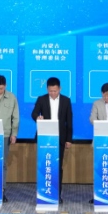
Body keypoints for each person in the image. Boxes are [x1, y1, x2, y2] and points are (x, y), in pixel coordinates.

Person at [31, 76, 73, 204]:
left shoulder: (66, 100)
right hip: (45, 138)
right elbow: (34, 113)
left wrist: (69, 139)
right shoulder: (41, 99)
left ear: (60, 89)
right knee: (44, 166)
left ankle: (57, 195)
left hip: (60, 139)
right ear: (47, 89)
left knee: (57, 167)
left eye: (55, 91)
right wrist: (38, 118)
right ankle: (44, 193)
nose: (53, 93)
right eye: (50, 91)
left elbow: (69, 121)